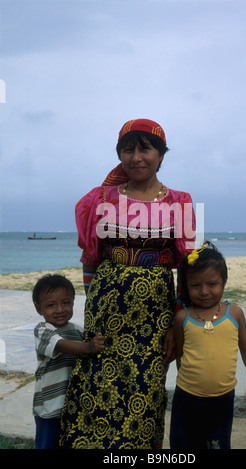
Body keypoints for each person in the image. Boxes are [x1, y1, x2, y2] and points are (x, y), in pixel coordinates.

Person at [59, 118, 195, 449]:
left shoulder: (181, 202)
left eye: (145, 148)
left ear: (161, 155)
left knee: (145, 393)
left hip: (154, 320)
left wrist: (176, 324)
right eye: (127, 149)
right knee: (95, 388)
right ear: (119, 154)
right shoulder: (98, 199)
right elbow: (90, 260)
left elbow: (187, 268)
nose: (136, 157)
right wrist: (93, 311)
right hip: (106, 314)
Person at [169, 242, 246, 450]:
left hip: (222, 400)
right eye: (195, 285)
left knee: (217, 444)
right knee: (184, 446)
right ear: (186, 285)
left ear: (224, 282)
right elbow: (181, 356)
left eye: (212, 284)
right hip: (186, 399)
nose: (204, 291)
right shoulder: (182, 317)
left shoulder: (234, 314)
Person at [32, 273, 104, 449]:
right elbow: (62, 345)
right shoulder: (42, 330)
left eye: (65, 303)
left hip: (72, 406)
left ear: (73, 302)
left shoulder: (78, 331)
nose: (59, 309)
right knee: (47, 445)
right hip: (49, 407)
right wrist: (89, 347)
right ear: (38, 309)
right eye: (51, 305)